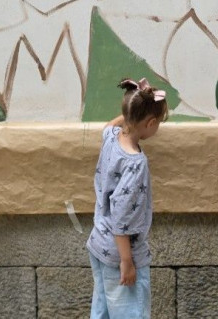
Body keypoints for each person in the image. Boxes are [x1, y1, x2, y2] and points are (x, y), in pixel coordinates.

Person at [86, 77, 168, 319]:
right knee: (130, 312)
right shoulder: (135, 164)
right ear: (150, 123)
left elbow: (108, 126)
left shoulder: (111, 137)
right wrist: (127, 262)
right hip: (120, 253)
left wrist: (130, 113)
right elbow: (122, 217)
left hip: (99, 243)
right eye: (159, 123)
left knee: (102, 309)